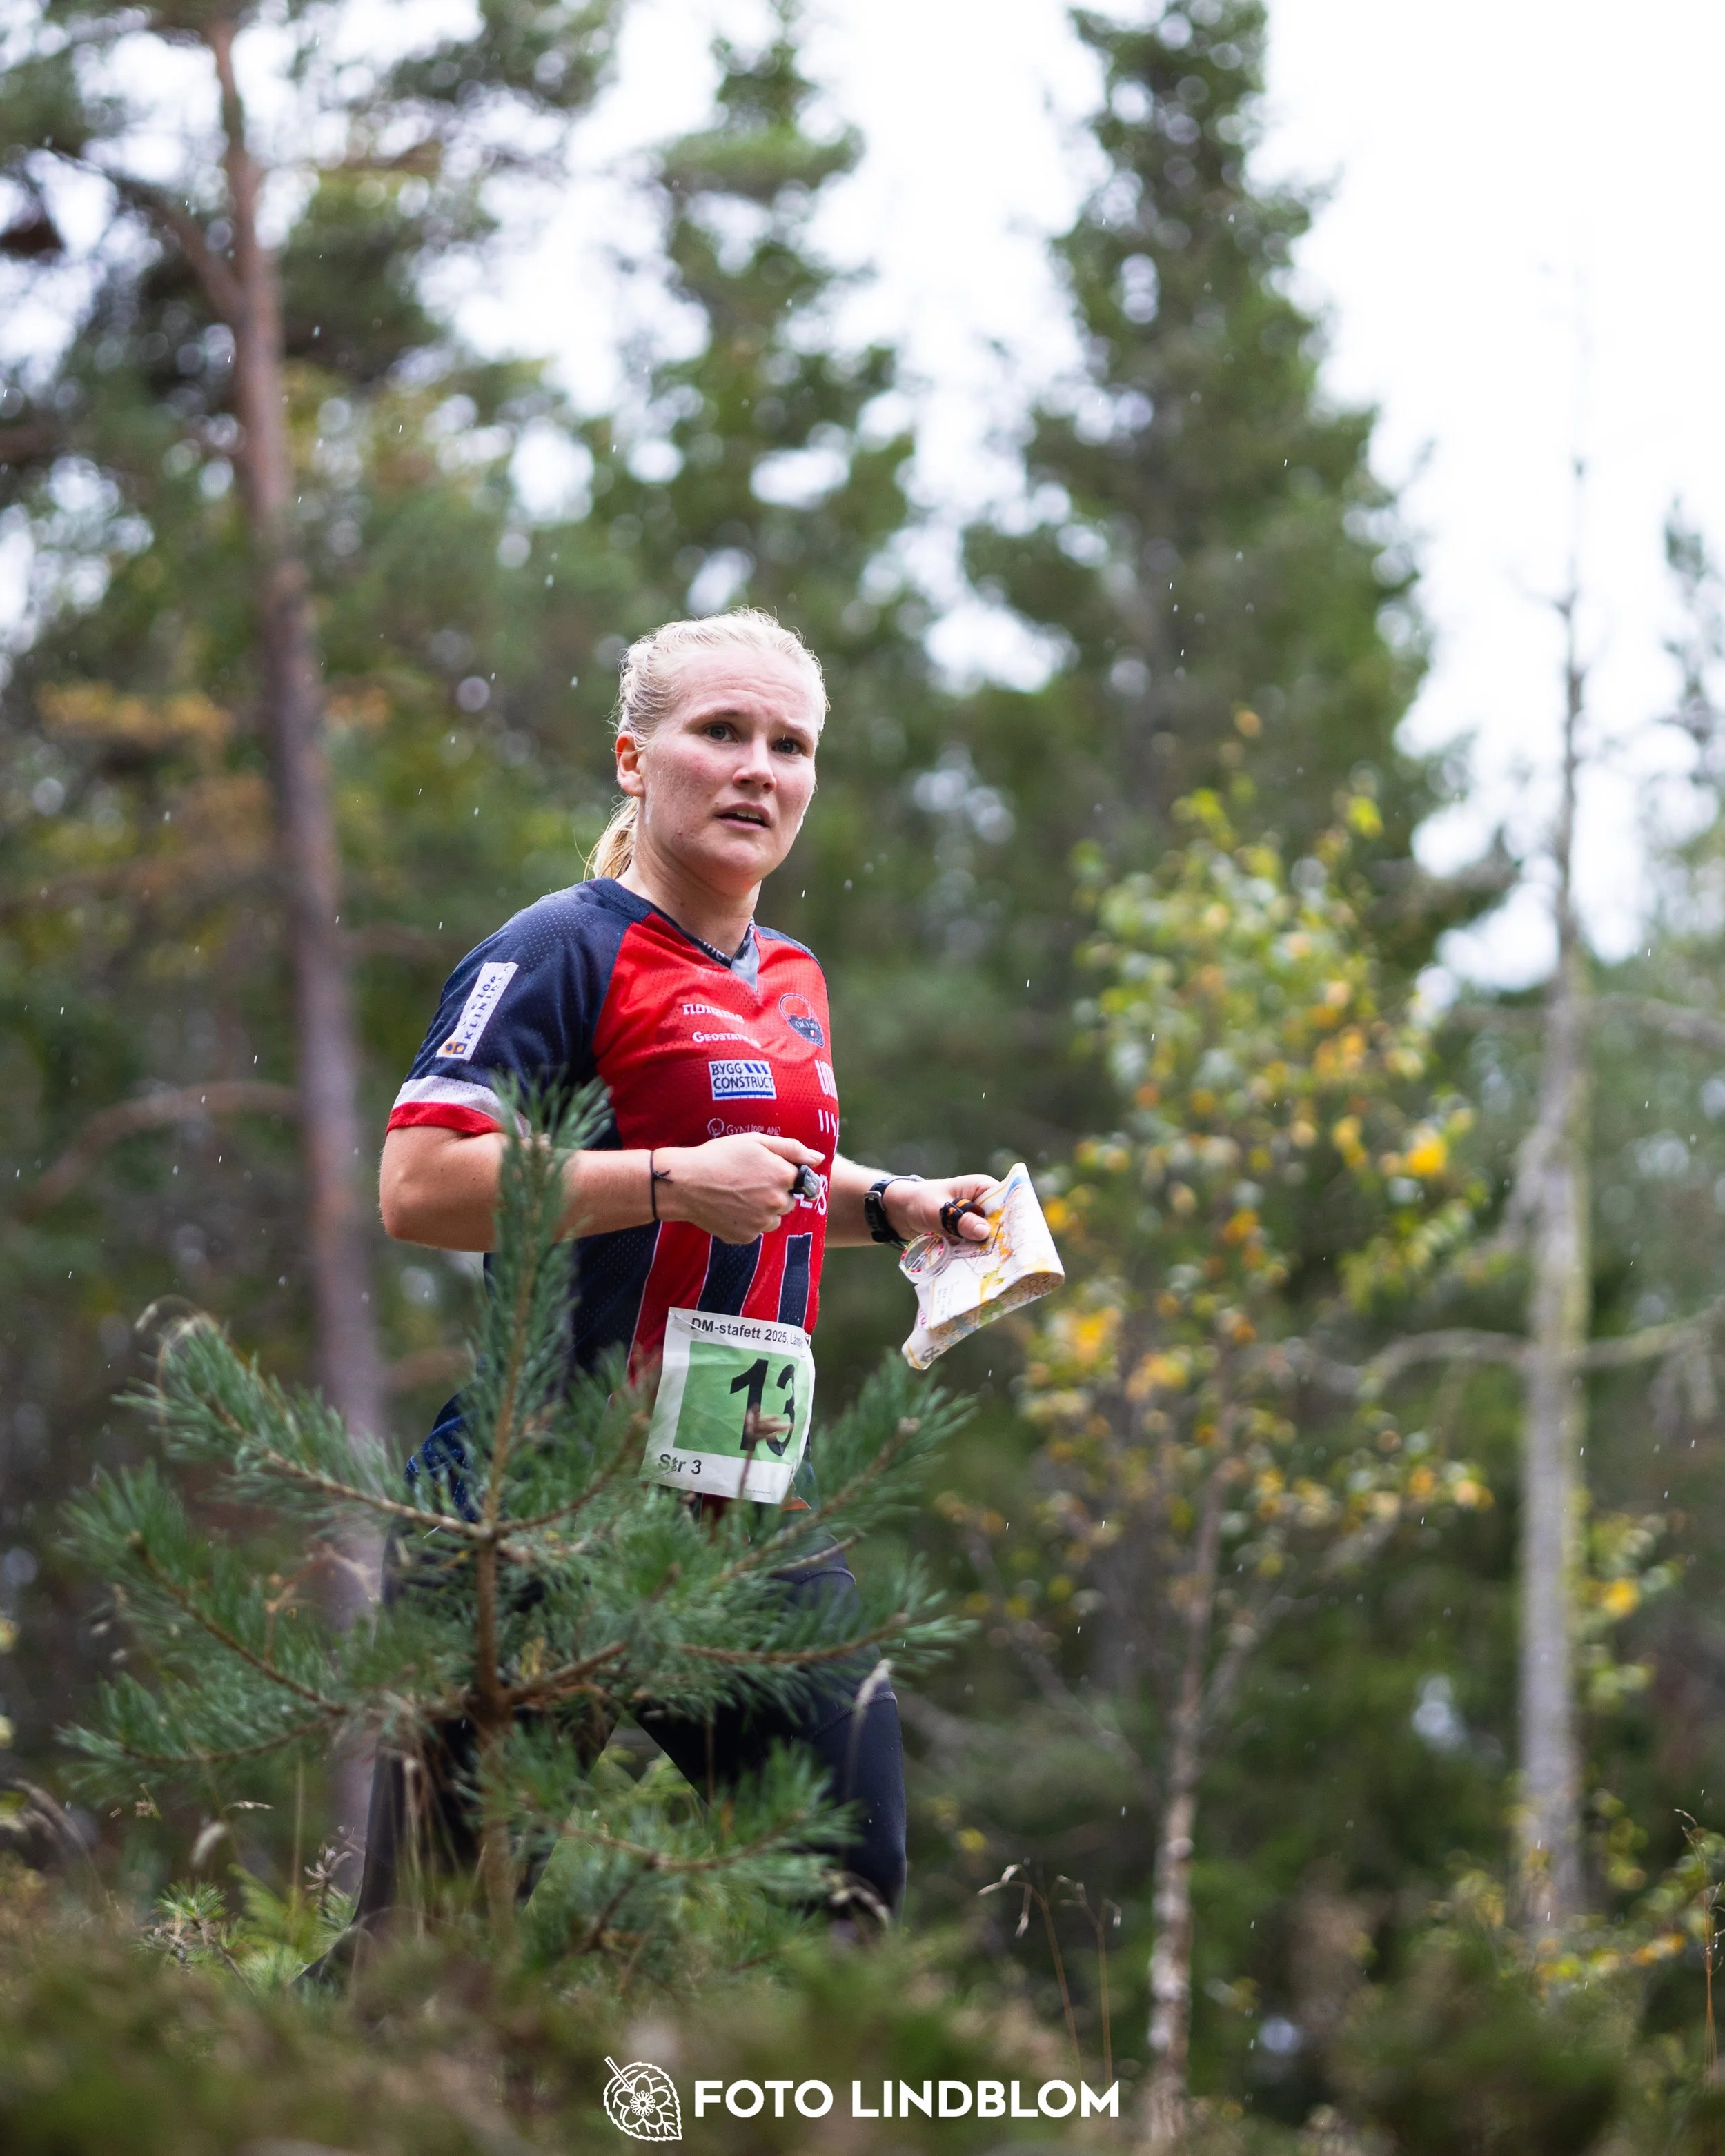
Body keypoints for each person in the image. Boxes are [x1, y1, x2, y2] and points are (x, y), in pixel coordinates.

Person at [358, 607, 994, 1937]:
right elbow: (420, 1188)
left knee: (846, 1881)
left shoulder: (795, 976)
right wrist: (665, 1179)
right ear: (635, 761)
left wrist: (905, 1206)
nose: (759, 768)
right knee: (431, 1947)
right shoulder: (559, 946)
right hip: (540, 1504)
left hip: (746, 1505)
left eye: (791, 744)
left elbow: (774, 1175)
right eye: (722, 732)